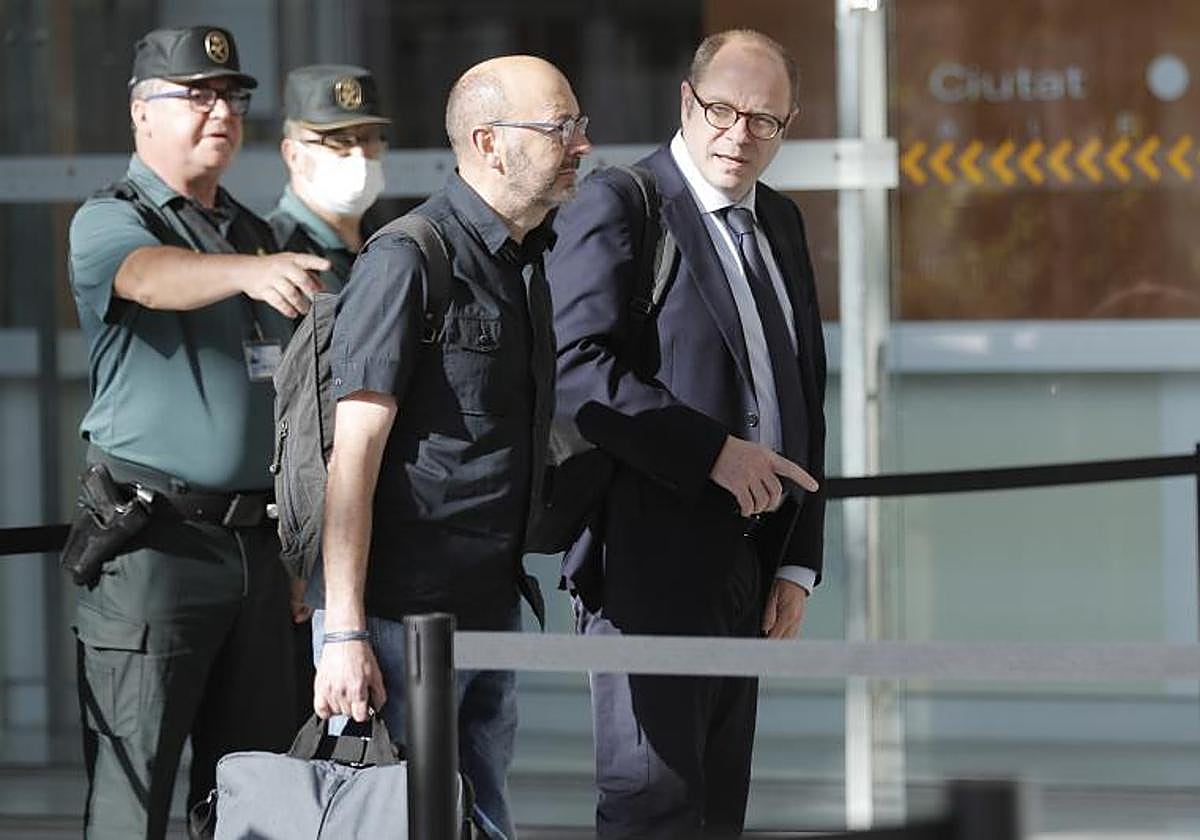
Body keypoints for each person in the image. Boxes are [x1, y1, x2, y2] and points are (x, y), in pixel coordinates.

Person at [544, 29, 828, 838]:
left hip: (751, 556)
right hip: (647, 560)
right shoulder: (623, 200)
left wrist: (800, 558)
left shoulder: (780, 220)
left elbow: (805, 390)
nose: (739, 134)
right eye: (723, 109)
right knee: (653, 803)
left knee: (717, 810)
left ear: (789, 125)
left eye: (765, 120)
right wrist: (710, 452)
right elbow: (571, 365)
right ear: (686, 102)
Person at [310, 55, 591, 839]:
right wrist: (344, 632)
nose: (580, 145)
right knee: (384, 824)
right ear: (489, 141)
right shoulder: (409, 257)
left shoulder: (524, 261)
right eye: (559, 126)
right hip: (397, 622)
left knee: (484, 814)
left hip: (489, 603)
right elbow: (352, 459)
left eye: (580, 126)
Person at [66, 25, 328, 840]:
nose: (221, 110)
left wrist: (295, 549)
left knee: (254, 791)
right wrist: (252, 273)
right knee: (131, 796)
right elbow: (147, 278)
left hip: (257, 548)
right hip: (158, 548)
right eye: (198, 94)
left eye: (233, 96)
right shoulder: (111, 218)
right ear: (142, 113)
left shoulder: (252, 229)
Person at [268, 64, 391, 292]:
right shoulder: (272, 251)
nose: (359, 153)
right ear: (293, 155)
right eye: (339, 141)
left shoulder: (389, 244)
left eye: (369, 138)